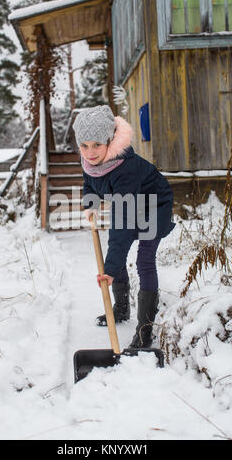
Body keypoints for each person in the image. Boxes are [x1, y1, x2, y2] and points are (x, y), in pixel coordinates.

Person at [72, 105, 175, 349]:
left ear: (110, 139)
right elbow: (90, 181)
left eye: (97, 144)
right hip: (129, 204)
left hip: (154, 205)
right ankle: (120, 309)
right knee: (115, 252)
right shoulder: (91, 160)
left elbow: (122, 223)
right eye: (84, 145)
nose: (90, 152)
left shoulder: (124, 169)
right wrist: (91, 203)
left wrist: (110, 268)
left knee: (143, 260)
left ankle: (145, 331)